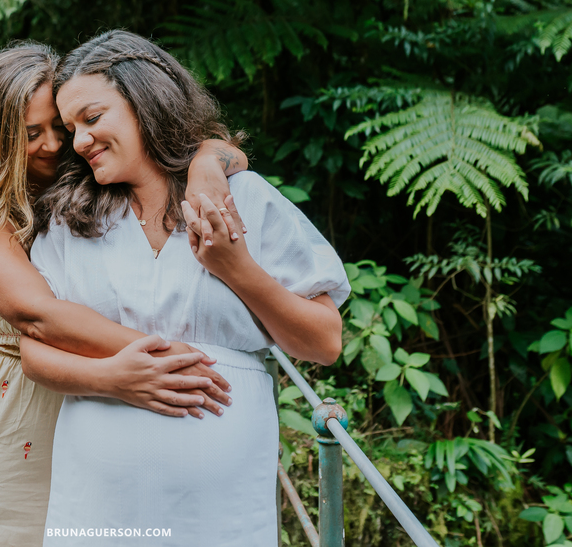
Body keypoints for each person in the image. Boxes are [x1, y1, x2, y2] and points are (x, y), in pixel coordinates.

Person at [21, 31, 350, 546]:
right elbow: (35, 356)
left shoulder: (245, 197)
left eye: (92, 118)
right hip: (97, 502)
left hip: (221, 513)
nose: (78, 141)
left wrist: (237, 268)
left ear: (144, 98)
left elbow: (325, 343)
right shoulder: (68, 218)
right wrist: (113, 379)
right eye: (70, 128)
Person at [0, 42, 250, 546]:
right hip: (16, 446)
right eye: (31, 133)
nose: (55, 144)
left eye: (59, 127)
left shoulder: (93, 193)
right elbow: (37, 316)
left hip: (106, 440)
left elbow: (217, 149)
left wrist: (207, 162)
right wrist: (171, 358)